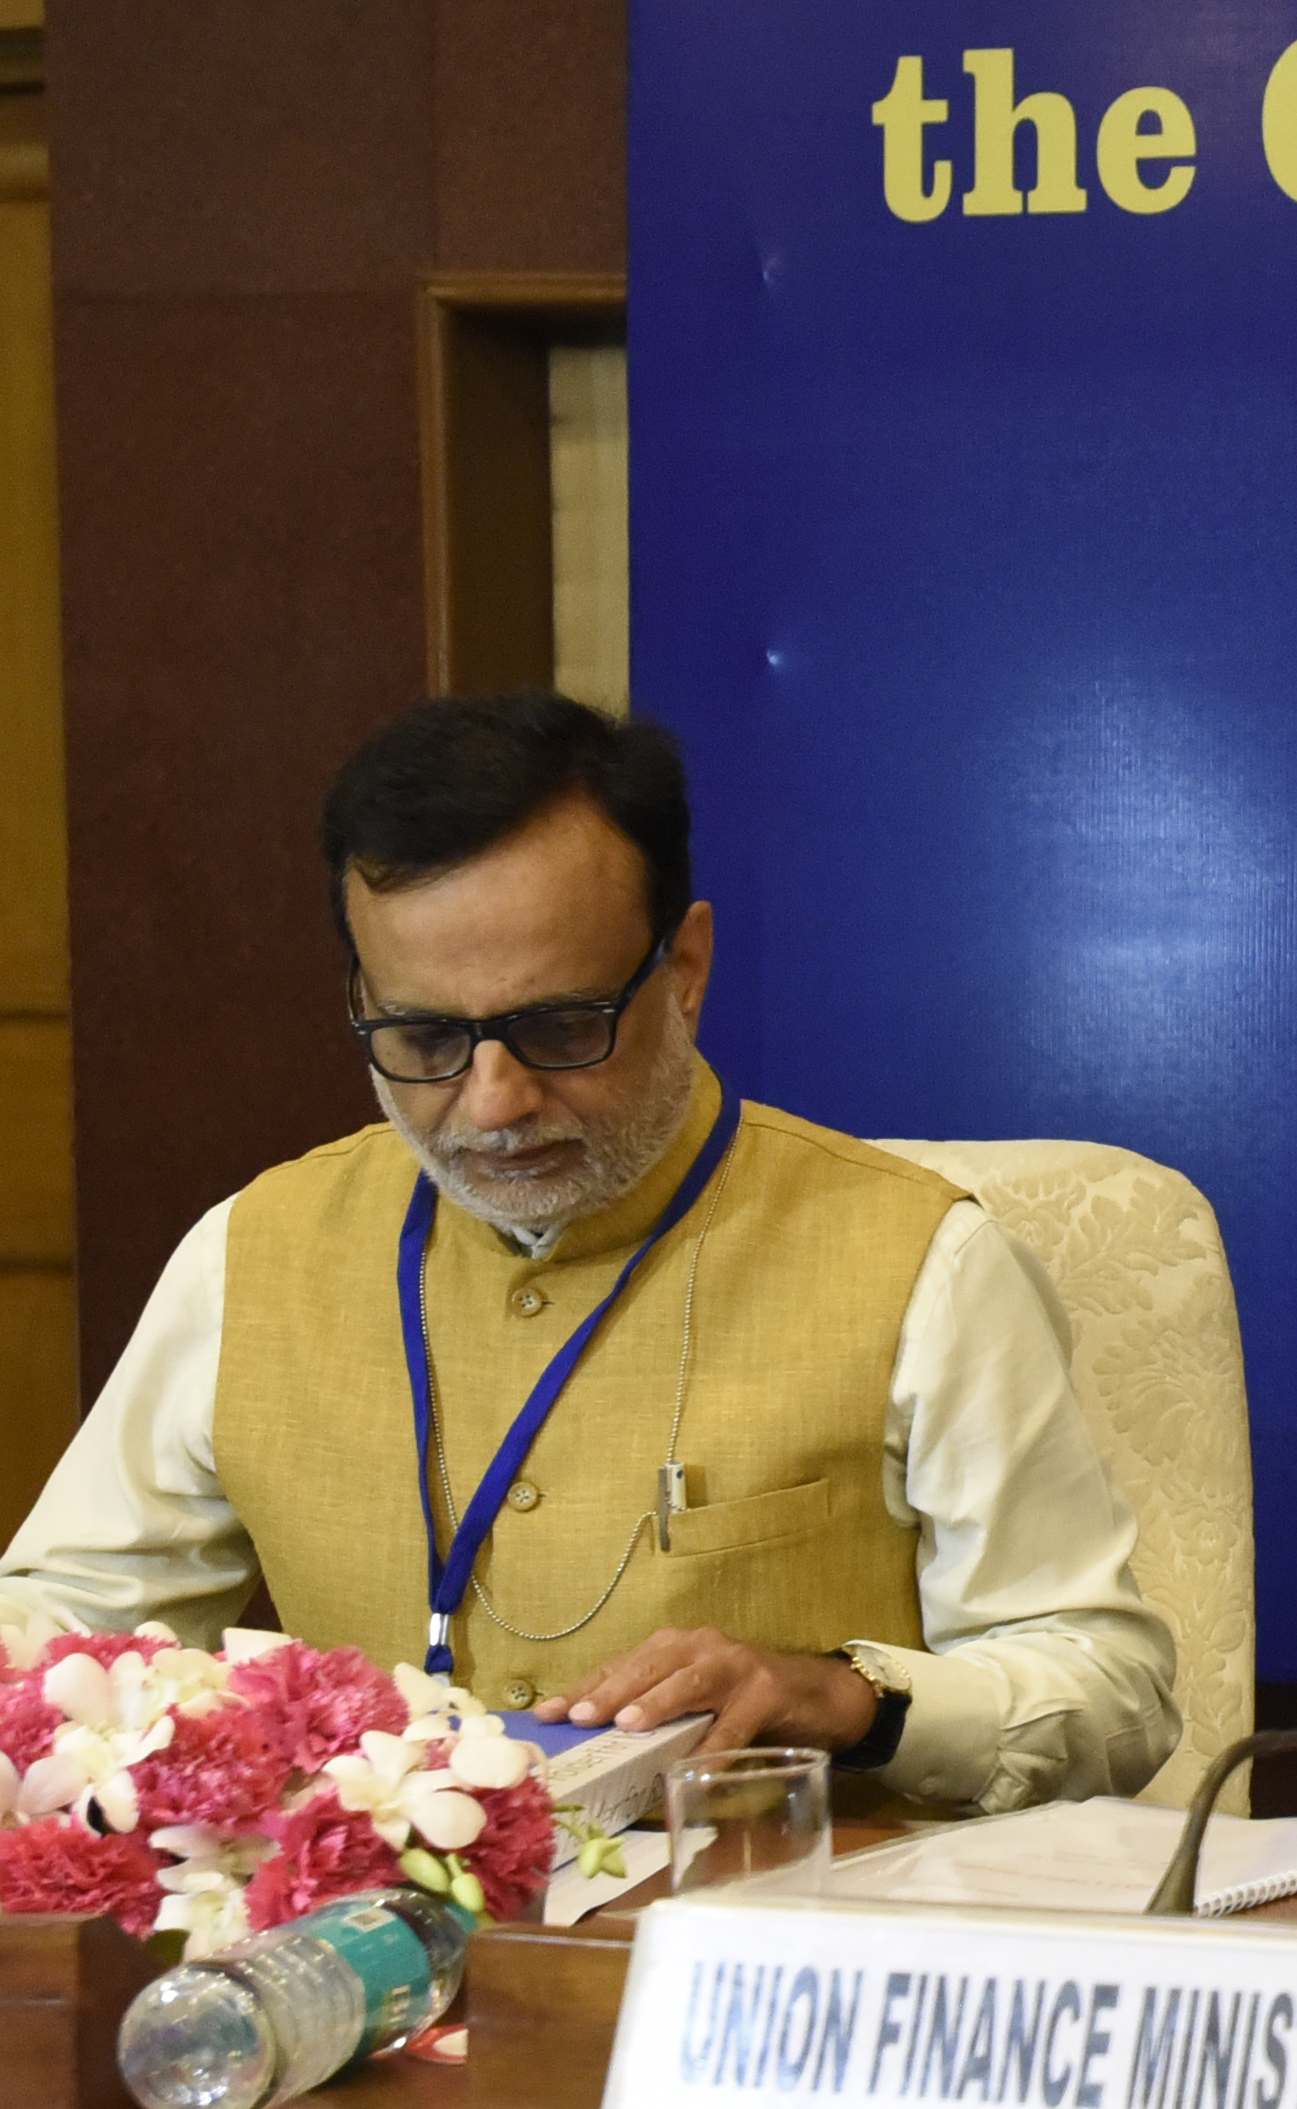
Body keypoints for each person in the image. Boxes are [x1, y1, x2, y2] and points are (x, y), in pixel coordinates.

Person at [0, 694, 1175, 1811]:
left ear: (686, 969)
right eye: (425, 1037)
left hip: (770, 1950)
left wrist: (847, 1696)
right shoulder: (247, 1256)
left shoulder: (928, 1265)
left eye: (561, 1026)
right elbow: (63, 1628)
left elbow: (1114, 1692)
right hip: (366, 1971)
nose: (493, 1102)